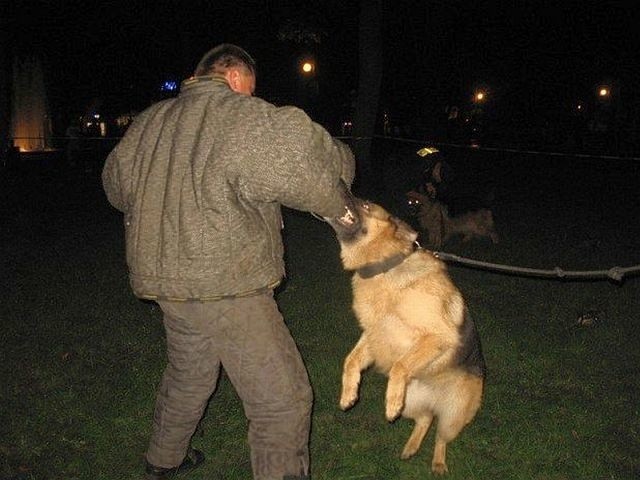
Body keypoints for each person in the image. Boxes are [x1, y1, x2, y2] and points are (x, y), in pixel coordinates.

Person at [102, 44, 359, 480]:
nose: (251, 97)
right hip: (223, 283)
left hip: (166, 282)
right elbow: (306, 166)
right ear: (236, 79)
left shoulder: (149, 122)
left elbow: (115, 186)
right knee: (282, 401)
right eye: (250, 89)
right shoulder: (240, 116)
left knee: (190, 373)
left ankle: (164, 459)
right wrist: (342, 178)